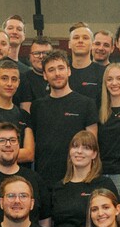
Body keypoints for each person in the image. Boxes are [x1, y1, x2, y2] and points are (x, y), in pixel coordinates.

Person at [31, 50, 99, 185]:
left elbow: (92, 145)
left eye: (61, 68)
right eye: (51, 70)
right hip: (44, 179)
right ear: (44, 75)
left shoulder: (86, 104)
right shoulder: (37, 106)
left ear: (69, 71)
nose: (57, 73)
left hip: (77, 179)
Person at [51, 131, 118, 227]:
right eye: (75, 146)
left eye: (86, 148)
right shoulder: (59, 187)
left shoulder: (104, 184)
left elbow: (114, 223)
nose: (79, 151)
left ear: (94, 154)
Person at [68, 23, 104, 105]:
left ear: (92, 45)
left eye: (85, 38)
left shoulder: (103, 73)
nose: (80, 41)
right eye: (76, 38)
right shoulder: (62, 72)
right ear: (69, 44)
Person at [18, 37, 53, 111]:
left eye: (46, 53)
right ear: (30, 57)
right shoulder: (23, 79)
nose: (41, 57)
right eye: (36, 53)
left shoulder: (60, 77)